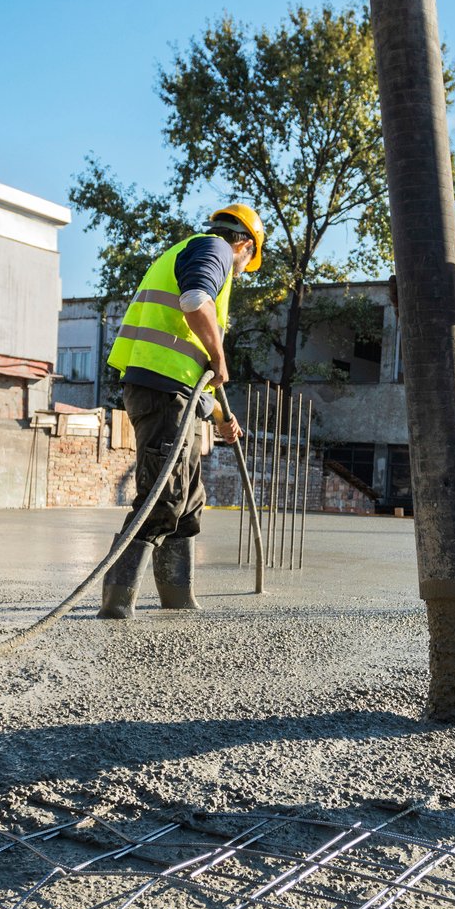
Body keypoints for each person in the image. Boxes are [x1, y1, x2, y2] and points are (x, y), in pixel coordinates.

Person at [97, 205, 259, 618]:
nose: (240, 272)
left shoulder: (194, 250)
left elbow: (196, 363)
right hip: (161, 389)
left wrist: (222, 419)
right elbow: (193, 301)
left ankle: (177, 597)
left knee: (187, 501)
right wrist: (220, 354)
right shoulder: (215, 250)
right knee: (162, 497)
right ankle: (116, 603)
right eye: (246, 264)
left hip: (176, 391)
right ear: (245, 244)